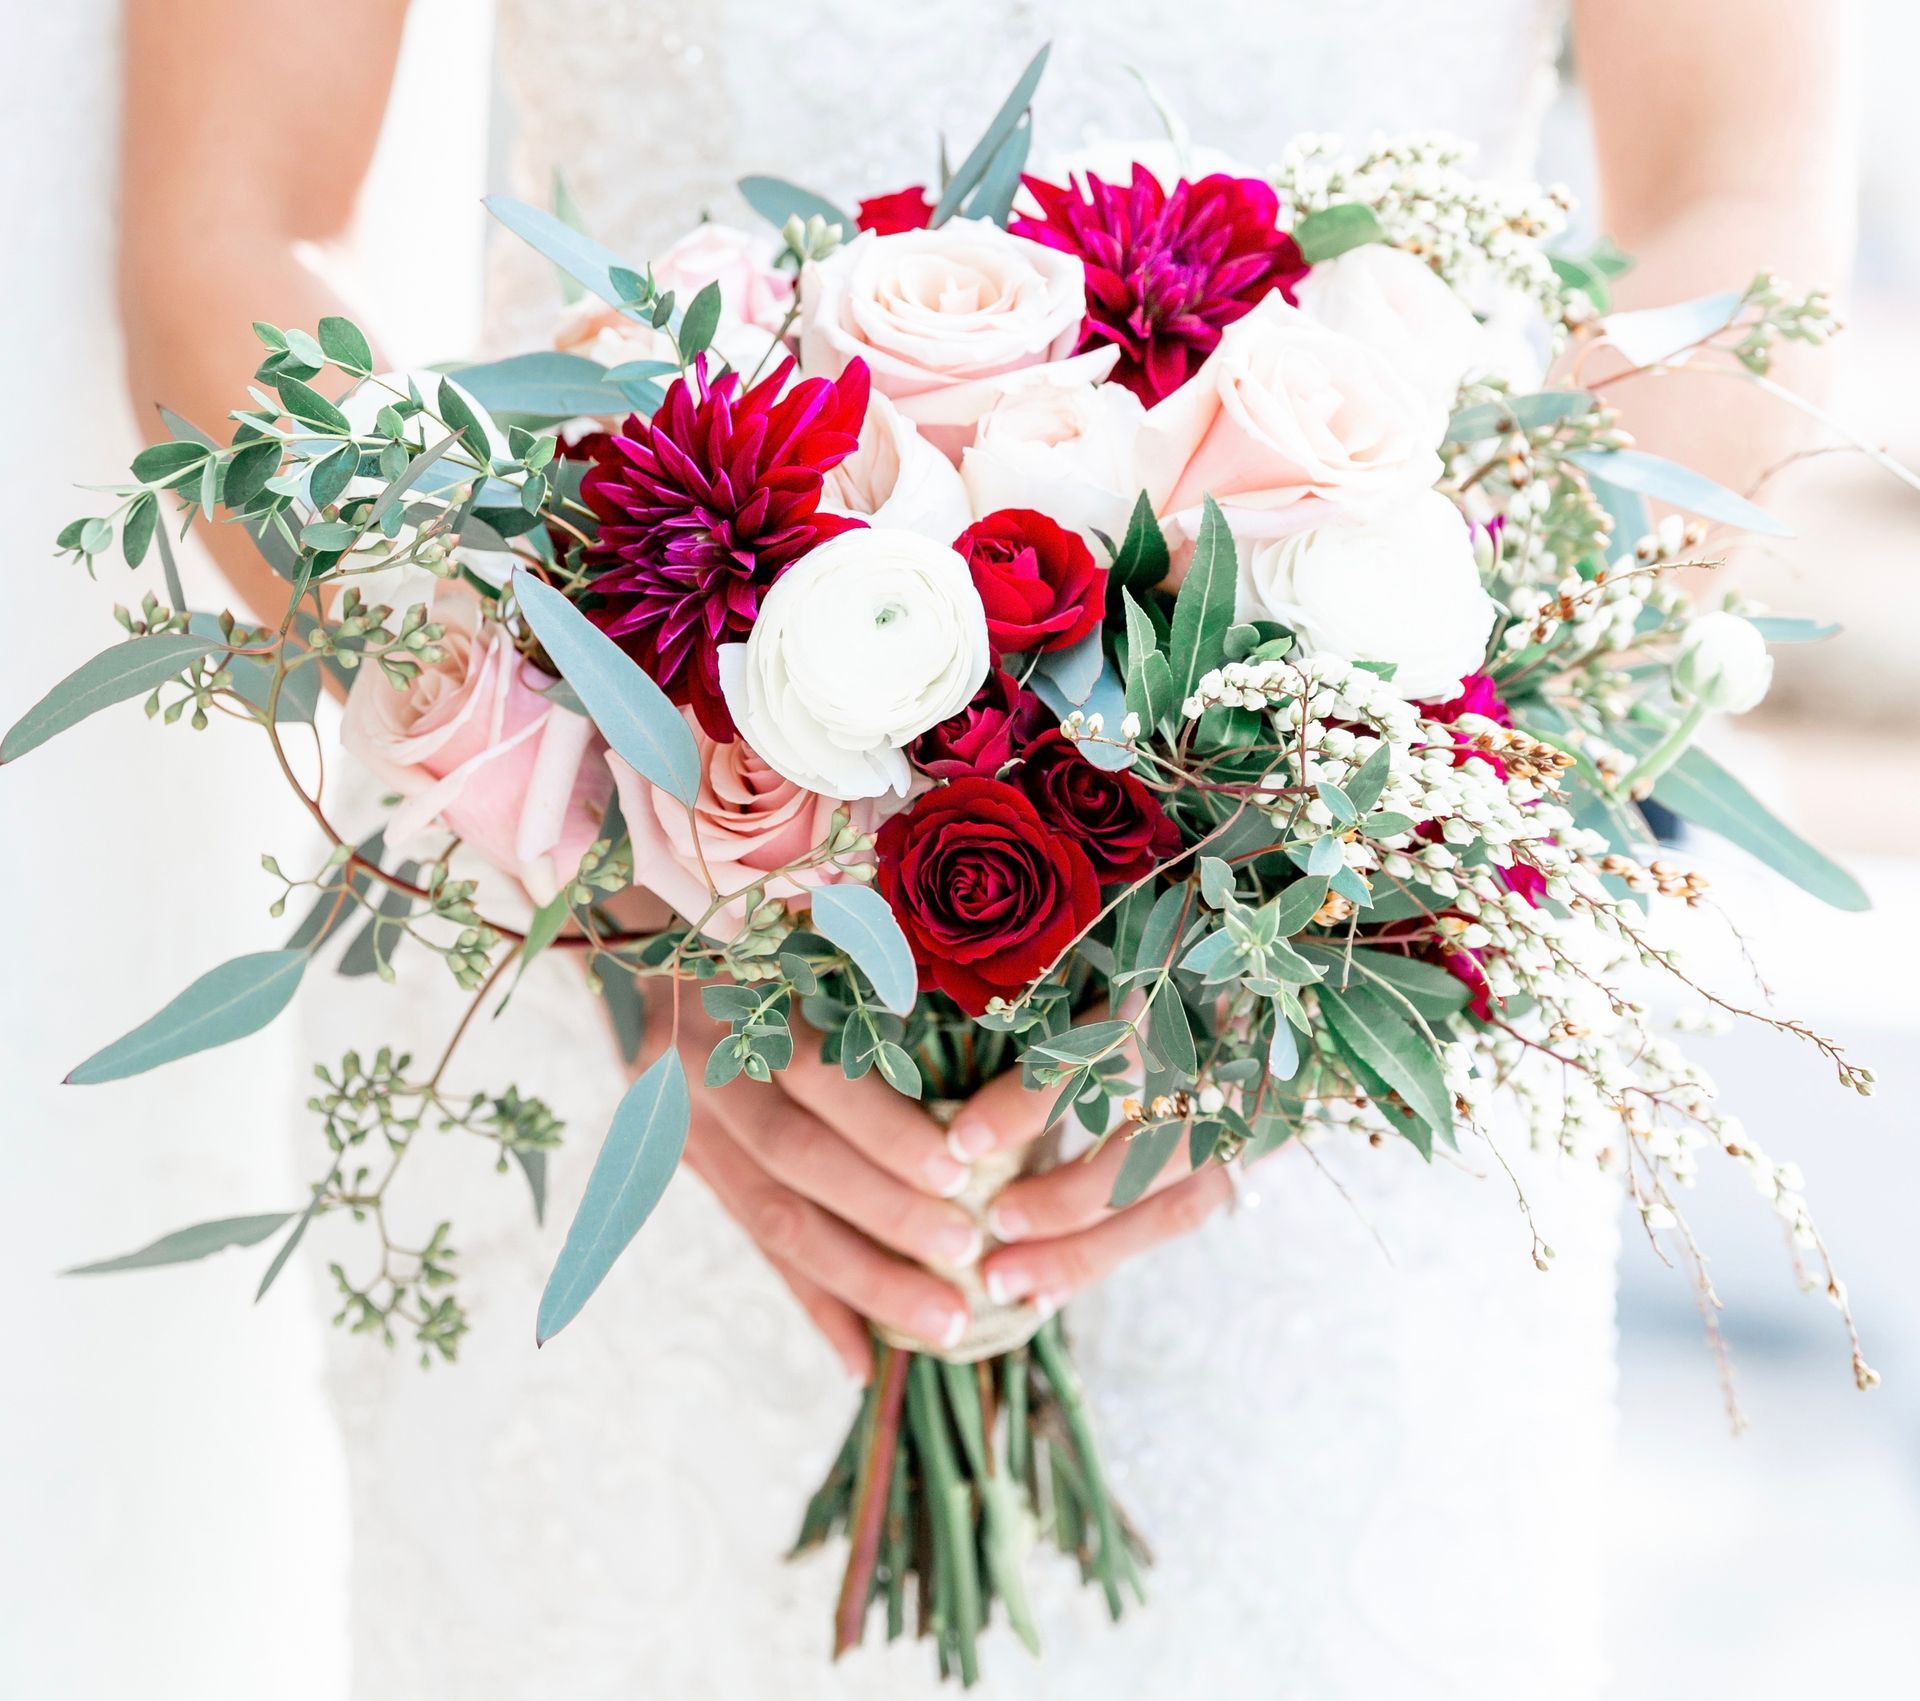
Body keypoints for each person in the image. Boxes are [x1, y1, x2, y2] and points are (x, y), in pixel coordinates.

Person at [118, 3, 1855, 1695]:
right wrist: (632, 872)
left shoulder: (1333, 895)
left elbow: (1741, 211)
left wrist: (1329, 861)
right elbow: (229, 235)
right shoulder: (614, 877)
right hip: (606, 977)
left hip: (1341, 1014)